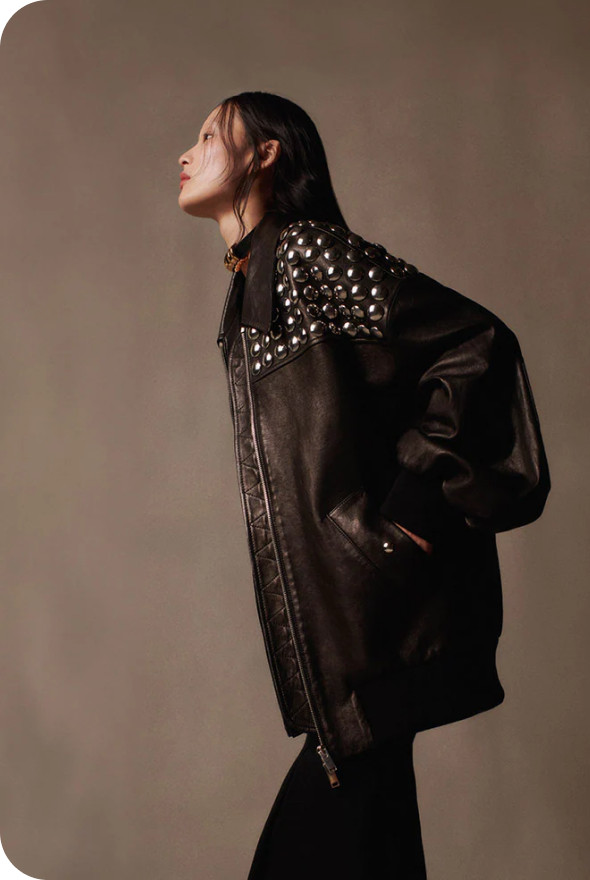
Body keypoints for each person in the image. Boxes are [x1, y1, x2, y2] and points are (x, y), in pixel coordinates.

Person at [178, 91, 551, 878]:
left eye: (210, 135)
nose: (187, 152)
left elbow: (475, 343)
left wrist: (409, 519)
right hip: (360, 651)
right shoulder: (252, 286)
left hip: (382, 631)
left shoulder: (306, 251)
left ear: (266, 154)